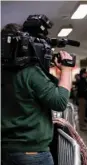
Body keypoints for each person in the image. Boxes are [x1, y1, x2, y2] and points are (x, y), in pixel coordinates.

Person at [1, 23, 73, 165]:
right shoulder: (30, 73)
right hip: (32, 152)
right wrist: (66, 70)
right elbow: (59, 102)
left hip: (6, 149)